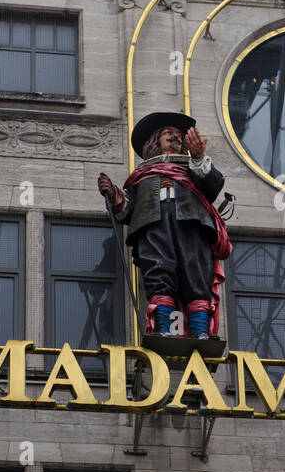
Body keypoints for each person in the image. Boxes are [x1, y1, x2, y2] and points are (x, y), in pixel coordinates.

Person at [97, 112, 230, 338]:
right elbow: (128, 209)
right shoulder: (142, 175)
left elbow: (213, 186)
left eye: (179, 135)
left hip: (191, 224)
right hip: (153, 225)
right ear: (154, 140)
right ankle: (162, 329)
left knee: (195, 273)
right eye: (170, 134)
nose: (176, 138)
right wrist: (113, 196)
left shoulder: (192, 168)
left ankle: (200, 332)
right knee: (159, 273)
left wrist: (198, 158)